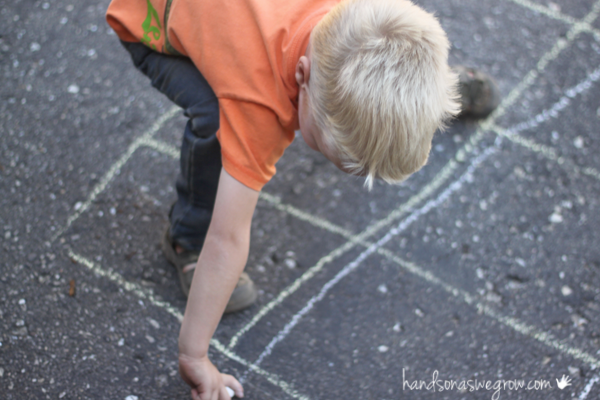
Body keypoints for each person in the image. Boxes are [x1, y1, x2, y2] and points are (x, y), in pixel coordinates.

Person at [106, 0, 499, 398]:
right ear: (301, 75)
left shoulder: (360, 15)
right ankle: (186, 238)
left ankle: (422, 90)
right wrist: (194, 355)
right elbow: (228, 239)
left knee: (379, 49)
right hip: (151, 17)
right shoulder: (258, 105)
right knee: (216, 119)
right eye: (330, 153)